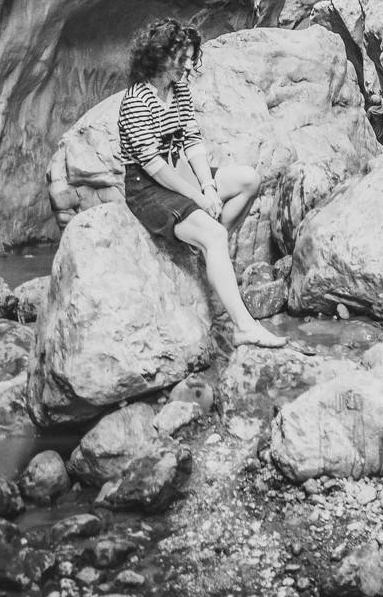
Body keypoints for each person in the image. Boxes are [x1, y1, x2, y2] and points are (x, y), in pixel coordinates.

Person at [118, 17, 284, 348]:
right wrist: (197, 195)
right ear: (160, 55)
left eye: (191, 58)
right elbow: (153, 166)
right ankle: (244, 326)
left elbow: (192, 141)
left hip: (180, 173)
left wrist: (208, 186)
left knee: (249, 180)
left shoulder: (178, 90)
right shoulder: (136, 100)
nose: (189, 65)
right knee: (215, 234)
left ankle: (207, 249)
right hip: (147, 187)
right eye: (183, 58)